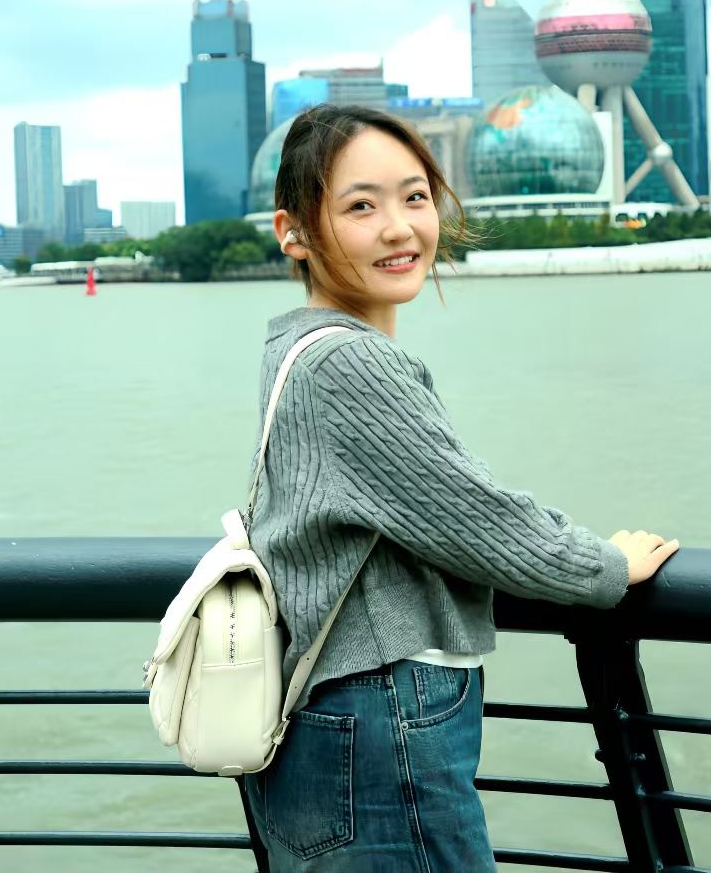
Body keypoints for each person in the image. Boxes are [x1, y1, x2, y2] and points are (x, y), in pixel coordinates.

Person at [242, 103, 679, 872]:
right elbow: (478, 520)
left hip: (324, 725)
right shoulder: (349, 363)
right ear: (294, 232)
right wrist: (607, 565)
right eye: (360, 207)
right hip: (379, 724)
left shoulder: (295, 348)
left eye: (414, 198)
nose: (399, 228)